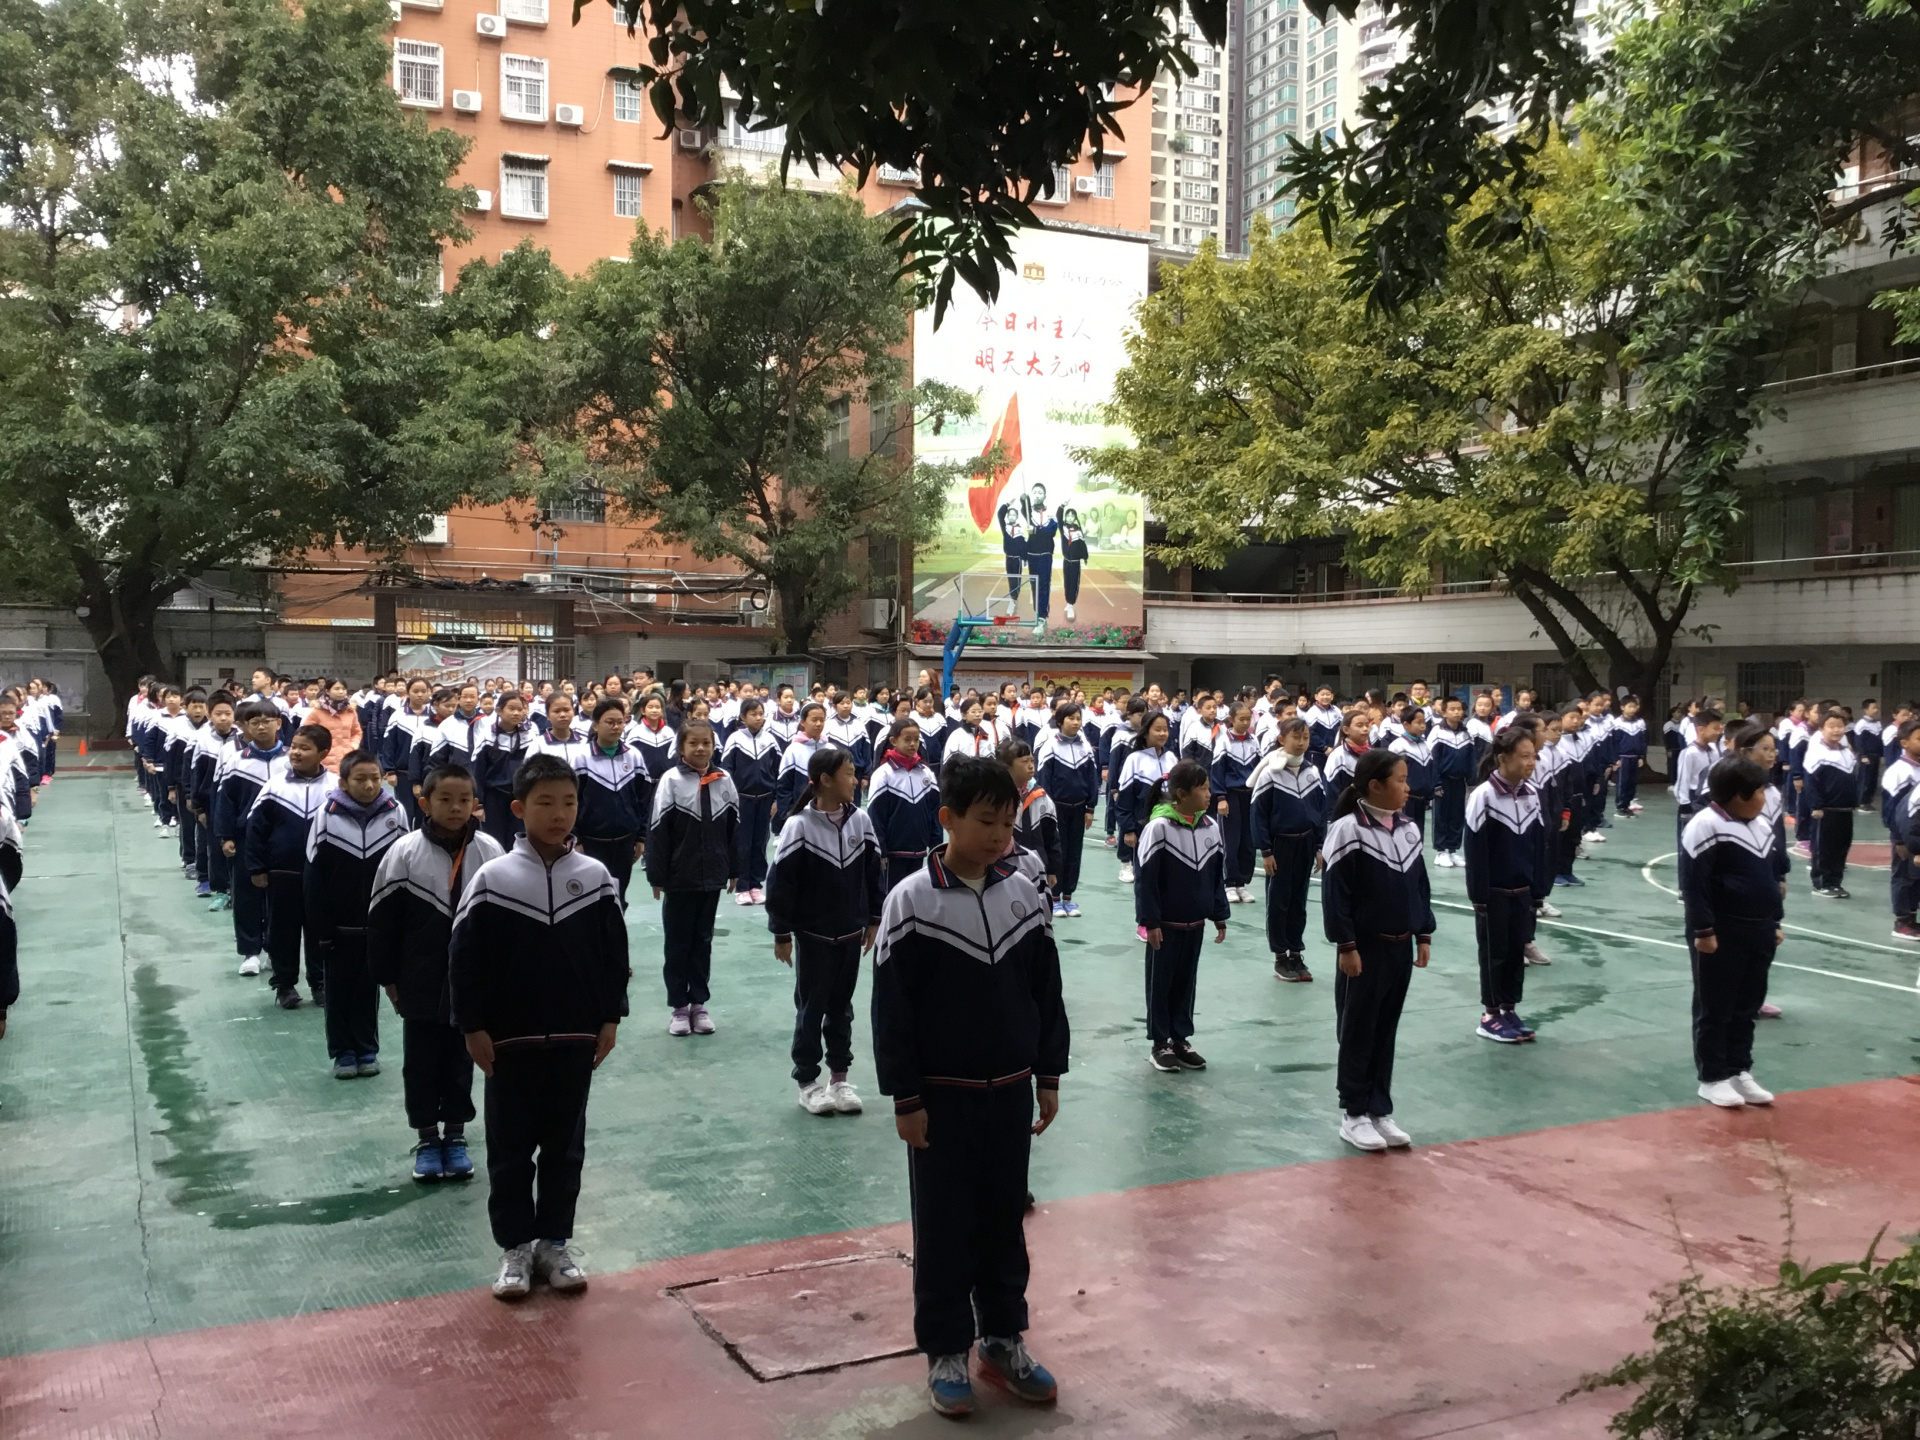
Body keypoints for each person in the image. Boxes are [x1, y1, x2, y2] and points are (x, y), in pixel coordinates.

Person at [870, 756, 1069, 1417]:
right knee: (945, 1226)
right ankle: (947, 1349)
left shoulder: (1023, 895)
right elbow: (892, 1012)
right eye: (985, 822)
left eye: (1007, 824)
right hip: (942, 1098)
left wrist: (1048, 1073)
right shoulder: (911, 902)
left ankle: (1003, 1339)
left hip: (1010, 1090)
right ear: (947, 819)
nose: (998, 837)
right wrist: (906, 1097)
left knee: (1003, 1221)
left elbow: (1046, 990)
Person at [450, 753, 627, 1299]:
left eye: (569, 803)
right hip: (509, 1042)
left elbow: (613, 957)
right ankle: (515, 1249)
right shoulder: (492, 879)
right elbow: (464, 960)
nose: (559, 814)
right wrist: (472, 1026)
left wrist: (610, 1017)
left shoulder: (595, 878)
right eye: (545, 803)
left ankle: (554, 1243)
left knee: (564, 1148)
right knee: (509, 1150)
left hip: (576, 1038)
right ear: (519, 809)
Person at [369, 763, 504, 1183]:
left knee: (462, 1061)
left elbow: (505, 922)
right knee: (421, 1064)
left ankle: (456, 1136)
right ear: (425, 803)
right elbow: (382, 921)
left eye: (464, 800)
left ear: (475, 803)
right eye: (445, 799)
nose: (455, 807)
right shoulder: (404, 852)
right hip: (419, 981)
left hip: (472, 984)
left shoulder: (490, 852)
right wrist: (388, 978)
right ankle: (428, 1139)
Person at [1319, 748, 1432, 1153]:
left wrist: (1423, 932)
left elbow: (1420, 885)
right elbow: (1337, 895)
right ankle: (1354, 1113)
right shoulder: (1347, 830)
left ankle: (1379, 1109)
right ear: (1375, 786)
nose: (1407, 787)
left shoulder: (1409, 828)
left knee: (1386, 1029)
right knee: (1358, 1029)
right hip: (1364, 949)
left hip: (1400, 948)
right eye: (1400, 780)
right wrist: (1346, 945)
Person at [765, 747, 883, 1116]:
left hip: (849, 934)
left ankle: (839, 1079)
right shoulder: (798, 826)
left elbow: (873, 874)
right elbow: (781, 884)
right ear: (826, 780)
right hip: (813, 937)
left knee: (842, 1009)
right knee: (811, 1009)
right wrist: (781, 933)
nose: (855, 780)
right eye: (849, 773)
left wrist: (874, 919)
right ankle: (807, 1082)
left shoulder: (860, 821)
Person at [1680, 756, 1784, 1108]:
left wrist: (1775, 921)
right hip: (1722, 931)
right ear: (1739, 795)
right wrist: (1703, 930)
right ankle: (1712, 1076)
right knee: (1715, 1005)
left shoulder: (1760, 825)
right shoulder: (1705, 826)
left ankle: (1739, 1068)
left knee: (1747, 1004)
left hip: (1759, 929)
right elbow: (1693, 886)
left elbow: (1771, 878)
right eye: (1760, 791)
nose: (1765, 798)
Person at [305, 750, 407, 1078]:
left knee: (368, 989)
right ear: (343, 783)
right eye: (360, 779)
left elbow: (406, 870)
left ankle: (366, 1050)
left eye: (375, 779)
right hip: (339, 927)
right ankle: (342, 1053)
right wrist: (321, 929)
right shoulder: (326, 815)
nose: (369, 786)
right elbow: (314, 876)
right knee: (338, 991)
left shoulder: (396, 812)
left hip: (378, 925)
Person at [1134, 759, 1230, 1074]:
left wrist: (1218, 914)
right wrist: (1150, 922)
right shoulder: (1158, 828)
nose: (1209, 794)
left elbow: (1216, 875)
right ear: (1181, 794)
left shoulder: (1211, 826)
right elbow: (1146, 880)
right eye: (1202, 788)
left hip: (1195, 924)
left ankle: (1180, 1039)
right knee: (1160, 983)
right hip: (1166, 926)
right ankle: (1159, 1043)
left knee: (1186, 983)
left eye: (1208, 787)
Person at [646, 721, 739, 1036]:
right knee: (677, 943)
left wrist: (734, 869)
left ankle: (698, 1004)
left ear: (714, 746)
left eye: (706, 743)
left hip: (712, 876)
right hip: (679, 877)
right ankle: (678, 1007)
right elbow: (658, 830)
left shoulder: (724, 780)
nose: (700, 748)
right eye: (693, 743)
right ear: (681, 748)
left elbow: (734, 828)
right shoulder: (670, 781)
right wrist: (657, 875)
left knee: (703, 941)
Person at [244, 724, 338, 1009]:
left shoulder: (336, 788)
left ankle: (320, 984)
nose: (295, 752)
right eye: (294, 746)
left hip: (322, 875)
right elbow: (255, 829)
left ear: (323, 753)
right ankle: (284, 985)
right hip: (282, 872)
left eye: (304, 748)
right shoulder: (275, 786)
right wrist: (257, 867)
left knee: (320, 930)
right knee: (282, 930)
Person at [1464, 726, 1547, 1044]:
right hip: (1494, 894)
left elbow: (1538, 846)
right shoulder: (1483, 796)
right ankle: (1490, 1015)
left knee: (1515, 953)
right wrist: (1479, 895)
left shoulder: (1531, 794)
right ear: (1503, 759)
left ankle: (1509, 1009)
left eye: (1533, 756)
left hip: (1522, 892)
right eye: (1524, 756)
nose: (1530, 763)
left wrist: (1538, 890)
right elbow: (1475, 850)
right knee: (1494, 953)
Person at [1251, 718, 1329, 983]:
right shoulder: (1269, 774)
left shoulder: (1312, 771)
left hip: (1305, 844)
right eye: (1296, 737)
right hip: (1280, 845)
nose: (1302, 742)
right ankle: (1280, 957)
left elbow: (1320, 811)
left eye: (1305, 737)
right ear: (1282, 740)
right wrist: (1266, 850)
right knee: (1279, 902)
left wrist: (1319, 846)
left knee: (1299, 901)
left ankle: (1296, 953)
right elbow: (1258, 815)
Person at [571, 699, 651, 906]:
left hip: (625, 841)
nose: (616, 727)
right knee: (591, 898)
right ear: (596, 725)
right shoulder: (581, 758)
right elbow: (571, 801)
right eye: (609, 722)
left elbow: (644, 800)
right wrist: (576, 839)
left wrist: (641, 837)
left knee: (618, 897)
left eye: (620, 722)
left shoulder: (634, 756)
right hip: (590, 842)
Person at [1036, 703, 1098, 917]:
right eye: (1071, 718)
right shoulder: (1050, 746)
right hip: (1057, 809)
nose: (1075, 722)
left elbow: (1092, 778)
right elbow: (1044, 780)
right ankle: (1054, 897)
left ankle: (1068, 897)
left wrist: (1090, 807)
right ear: (1060, 721)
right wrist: (1047, 809)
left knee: (1074, 853)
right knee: (1058, 852)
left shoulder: (1085, 747)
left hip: (1079, 809)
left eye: (1078, 718)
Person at [720, 697, 781, 905]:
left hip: (765, 800)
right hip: (742, 800)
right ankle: (742, 886)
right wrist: (730, 799)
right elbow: (727, 771)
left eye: (761, 714)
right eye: (753, 714)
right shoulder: (735, 739)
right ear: (743, 717)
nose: (758, 718)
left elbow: (778, 772)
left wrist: (775, 799)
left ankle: (756, 885)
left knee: (760, 843)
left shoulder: (770, 740)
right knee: (742, 844)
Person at [1114, 710, 1176, 886]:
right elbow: (1125, 800)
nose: (1162, 733)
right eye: (1157, 729)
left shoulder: (1171, 758)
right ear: (1146, 732)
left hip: (1170, 826)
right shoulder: (1134, 760)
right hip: (1143, 827)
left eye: (1165, 729)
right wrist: (1128, 830)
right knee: (1145, 876)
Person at [1803, 703, 1859, 899]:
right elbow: (1811, 783)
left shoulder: (1846, 751)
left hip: (1845, 809)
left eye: (1840, 726)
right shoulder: (1817, 753)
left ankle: (1835, 882)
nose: (1836, 730)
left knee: (1841, 848)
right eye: (1831, 726)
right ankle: (1821, 884)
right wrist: (1816, 805)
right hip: (1826, 810)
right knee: (1824, 849)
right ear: (1821, 729)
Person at [1208, 703, 1263, 904]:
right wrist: (1220, 798)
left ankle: (1242, 883)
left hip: (1249, 796)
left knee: (1248, 841)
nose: (1246, 722)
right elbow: (1217, 772)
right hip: (1230, 795)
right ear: (1231, 719)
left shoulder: (1254, 740)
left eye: (1248, 719)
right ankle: (1229, 883)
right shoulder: (1223, 741)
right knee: (1231, 841)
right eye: (1241, 719)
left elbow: (1260, 769)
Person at [1000, 739, 1061, 900]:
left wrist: (1052, 870)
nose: (1031, 766)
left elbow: (1051, 836)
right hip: (1002, 870)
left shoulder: (1041, 797)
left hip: (1036, 869)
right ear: (1007, 766)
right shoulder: (996, 798)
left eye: (1032, 761)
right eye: (1024, 761)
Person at [1429, 696, 1474, 867]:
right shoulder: (1437, 732)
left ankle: (1452, 850)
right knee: (1441, 816)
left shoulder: (1466, 733)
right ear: (1444, 712)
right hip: (1443, 781)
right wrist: (1436, 783)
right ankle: (1440, 852)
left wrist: (1471, 780)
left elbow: (1471, 759)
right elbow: (1433, 760)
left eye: (1459, 709)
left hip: (1459, 782)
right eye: (1452, 709)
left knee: (1457, 816)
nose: (1456, 712)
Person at [775, 701, 827, 831]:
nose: (818, 724)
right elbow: (784, 786)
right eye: (814, 720)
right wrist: (787, 815)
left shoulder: (830, 749)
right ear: (803, 722)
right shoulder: (793, 750)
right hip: (799, 814)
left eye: (822, 720)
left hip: (826, 813)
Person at [308, 679, 363, 773]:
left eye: (343, 689)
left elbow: (356, 732)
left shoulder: (350, 711)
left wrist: (353, 746)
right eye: (337, 689)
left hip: (346, 759)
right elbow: (307, 734)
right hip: (323, 759)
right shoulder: (317, 711)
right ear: (327, 691)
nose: (341, 692)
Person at [1612, 694, 1648, 815]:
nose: (1632, 709)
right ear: (1622, 707)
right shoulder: (1617, 723)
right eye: (1630, 706)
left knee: (1632, 783)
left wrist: (1641, 756)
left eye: (1634, 706)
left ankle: (1628, 805)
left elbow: (1642, 741)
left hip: (1635, 757)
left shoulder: (1640, 723)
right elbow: (1614, 742)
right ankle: (1620, 807)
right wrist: (1615, 759)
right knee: (1622, 782)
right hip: (1623, 757)